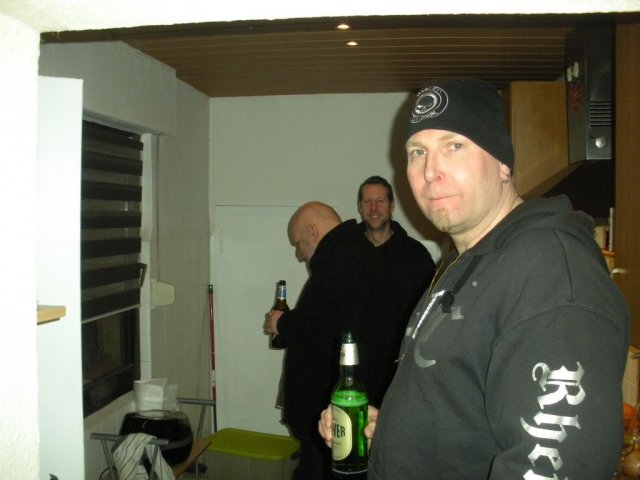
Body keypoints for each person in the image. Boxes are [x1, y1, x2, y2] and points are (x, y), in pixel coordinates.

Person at [319, 78, 630, 479]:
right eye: (417, 152)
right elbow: (462, 408)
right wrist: (394, 432)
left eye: (454, 146)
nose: (431, 171)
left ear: (503, 163)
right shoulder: (464, 263)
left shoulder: (550, 272)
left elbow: (553, 466)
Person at [265, 201, 366, 480]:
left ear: (312, 231)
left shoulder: (339, 260)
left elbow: (324, 323)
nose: (299, 254)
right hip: (332, 403)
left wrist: (282, 323)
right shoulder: (349, 253)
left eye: (298, 243)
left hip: (328, 405)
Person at [353, 175, 436, 407]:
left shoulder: (415, 255)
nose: (374, 208)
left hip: (398, 367)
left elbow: (430, 311)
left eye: (380, 201)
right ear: (359, 207)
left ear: (391, 206)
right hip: (353, 365)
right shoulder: (345, 252)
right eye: (368, 202)